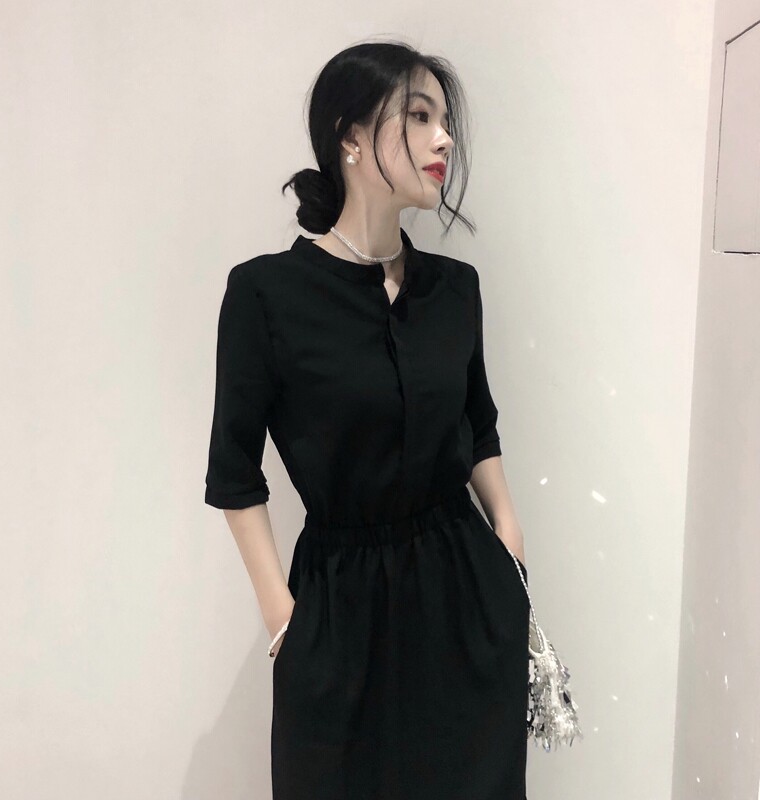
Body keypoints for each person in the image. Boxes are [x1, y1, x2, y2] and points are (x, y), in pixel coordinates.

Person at [205, 38, 531, 800]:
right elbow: (233, 474)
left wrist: (509, 539)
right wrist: (283, 621)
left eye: (445, 120)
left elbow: (478, 423)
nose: (443, 138)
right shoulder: (266, 297)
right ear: (349, 136)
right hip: (340, 612)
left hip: (465, 599)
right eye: (418, 116)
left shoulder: (455, 289)